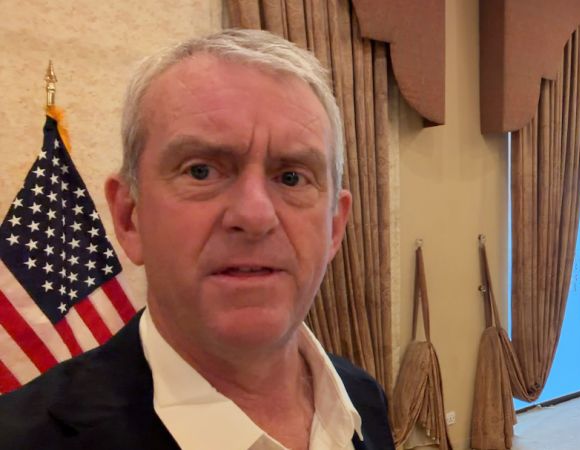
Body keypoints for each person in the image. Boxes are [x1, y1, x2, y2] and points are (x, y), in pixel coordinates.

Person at [0, 29, 394, 449]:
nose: (255, 216)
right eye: (201, 171)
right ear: (130, 217)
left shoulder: (362, 400)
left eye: (292, 177)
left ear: (334, 226)